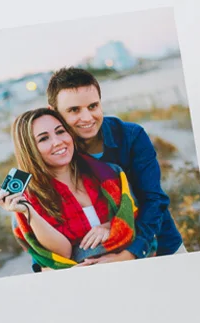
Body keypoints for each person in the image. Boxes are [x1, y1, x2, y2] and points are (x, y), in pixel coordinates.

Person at [47, 67, 186, 260]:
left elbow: (154, 200)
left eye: (93, 106)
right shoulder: (57, 153)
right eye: (74, 110)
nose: (87, 118)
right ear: (54, 113)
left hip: (161, 246)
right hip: (99, 258)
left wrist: (130, 254)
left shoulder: (131, 136)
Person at [0, 108, 140, 271]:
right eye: (43, 139)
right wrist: (29, 212)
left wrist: (110, 227)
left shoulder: (109, 174)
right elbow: (60, 255)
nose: (57, 142)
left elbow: (140, 223)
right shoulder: (28, 200)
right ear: (29, 149)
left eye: (60, 131)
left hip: (131, 269)